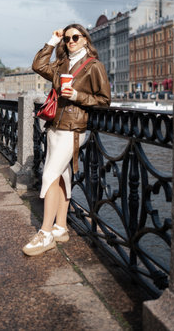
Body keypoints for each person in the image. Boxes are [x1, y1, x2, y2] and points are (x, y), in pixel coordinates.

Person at [22, 24, 111, 256]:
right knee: (61, 174)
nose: (71, 41)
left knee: (49, 175)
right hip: (55, 126)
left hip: (74, 129)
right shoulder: (61, 65)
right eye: (68, 38)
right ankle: (61, 227)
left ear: (85, 40)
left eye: (75, 37)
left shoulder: (94, 66)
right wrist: (52, 41)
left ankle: (45, 233)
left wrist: (77, 96)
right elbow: (37, 65)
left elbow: (104, 100)